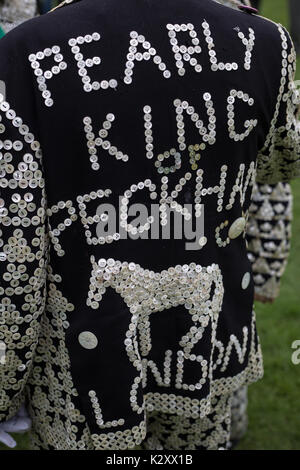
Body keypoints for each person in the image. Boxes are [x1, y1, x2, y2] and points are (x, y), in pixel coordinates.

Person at [0, 0, 299, 450]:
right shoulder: (264, 42)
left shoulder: (23, 53)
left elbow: (15, 260)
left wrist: (4, 389)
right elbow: (281, 161)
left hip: (78, 375)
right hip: (207, 355)